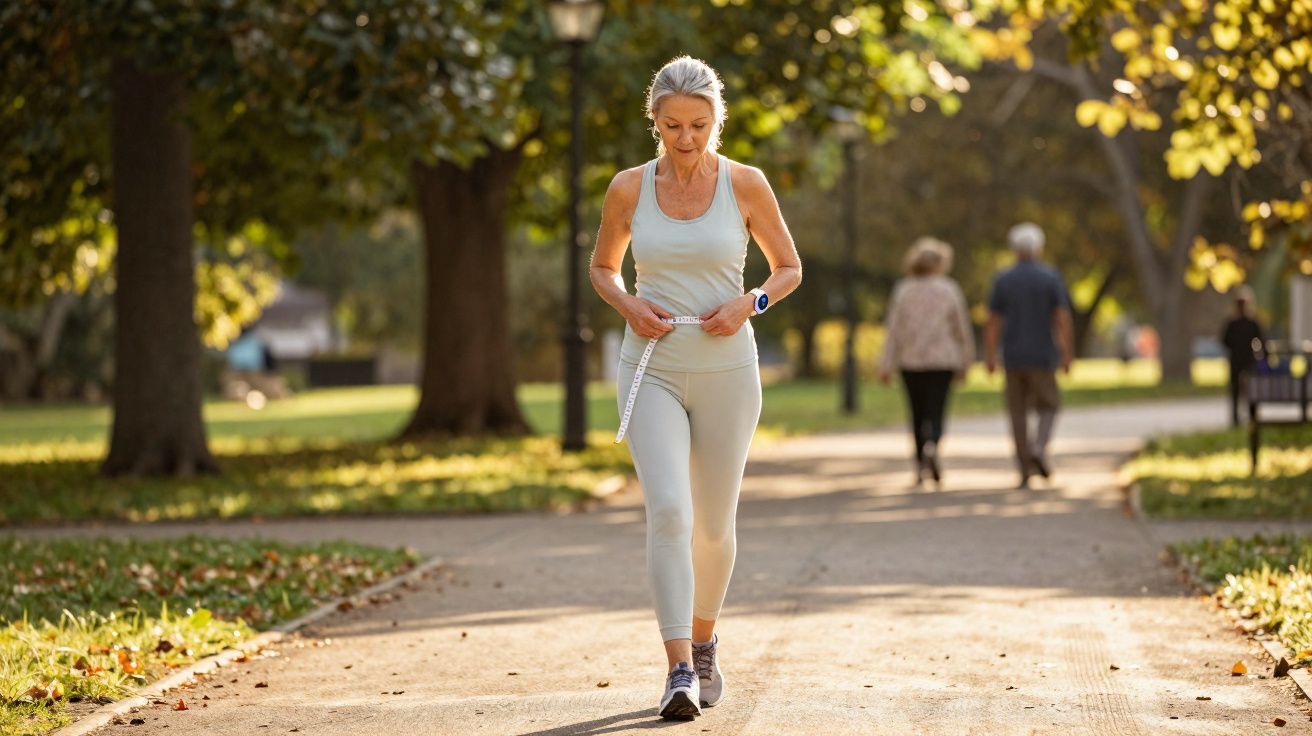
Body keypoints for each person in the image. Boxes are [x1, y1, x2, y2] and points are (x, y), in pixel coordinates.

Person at [589, 56, 802, 720]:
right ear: (654, 121)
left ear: (717, 121)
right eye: (673, 126)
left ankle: (706, 643)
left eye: (700, 126)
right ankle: (678, 668)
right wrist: (629, 307)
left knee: (713, 524)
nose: (687, 139)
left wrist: (751, 304)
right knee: (670, 514)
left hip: (728, 370)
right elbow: (603, 268)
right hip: (649, 366)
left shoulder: (746, 183)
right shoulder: (628, 188)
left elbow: (789, 268)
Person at [877, 237, 975, 486]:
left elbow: (894, 329)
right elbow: (961, 328)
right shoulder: (948, 289)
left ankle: (921, 462)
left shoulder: (904, 290)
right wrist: (966, 360)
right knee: (937, 408)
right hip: (943, 361)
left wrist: (886, 363)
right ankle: (934, 444)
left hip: (911, 361)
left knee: (917, 412)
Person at [984, 222, 1073, 489]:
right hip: (1042, 354)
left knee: (1017, 412)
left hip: (1013, 355)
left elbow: (993, 322)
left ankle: (1024, 468)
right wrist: (1067, 352)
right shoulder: (1050, 278)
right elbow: (1061, 317)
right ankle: (1039, 446)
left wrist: (990, 355)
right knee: (1049, 405)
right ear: (1038, 247)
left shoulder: (1003, 279)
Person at [1220, 285, 1265, 426]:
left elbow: (1225, 340)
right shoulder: (1250, 323)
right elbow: (1261, 341)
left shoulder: (1234, 323)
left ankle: (1240, 418)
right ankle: (1247, 417)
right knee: (1245, 389)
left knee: (1240, 390)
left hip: (1240, 359)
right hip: (1245, 359)